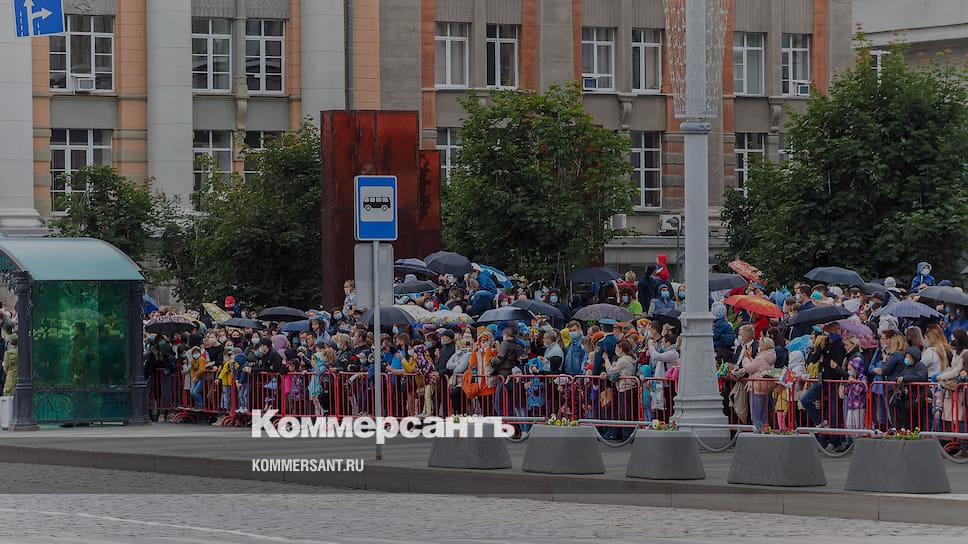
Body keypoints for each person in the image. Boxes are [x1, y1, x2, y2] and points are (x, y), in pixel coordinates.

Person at [744, 336, 777, 431]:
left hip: (758, 387)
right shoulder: (771, 356)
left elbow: (748, 368)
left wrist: (745, 359)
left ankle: (757, 431)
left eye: (760, 345)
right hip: (767, 387)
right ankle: (765, 430)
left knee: (756, 414)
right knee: (764, 413)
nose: (759, 346)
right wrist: (751, 358)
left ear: (765, 346)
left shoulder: (761, 358)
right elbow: (757, 367)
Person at [894, 346, 929, 431]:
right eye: (906, 356)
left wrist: (905, 378)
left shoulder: (920, 366)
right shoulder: (906, 367)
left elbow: (921, 377)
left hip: (917, 396)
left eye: (908, 357)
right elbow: (900, 375)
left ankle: (916, 431)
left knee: (916, 416)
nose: (907, 359)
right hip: (907, 396)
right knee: (903, 412)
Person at [1, 326, 16, 397]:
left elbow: (6, 367)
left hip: (10, 373)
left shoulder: (10, 343)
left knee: (8, 393)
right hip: (10, 373)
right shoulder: (6, 342)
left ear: (4, 331)